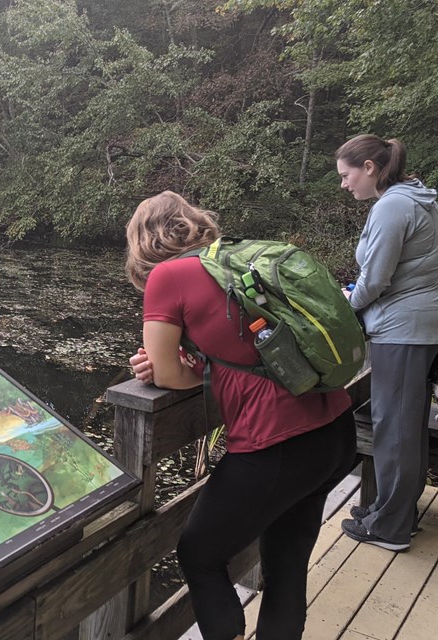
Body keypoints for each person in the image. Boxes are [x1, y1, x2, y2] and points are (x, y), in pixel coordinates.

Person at [126, 190, 356, 640]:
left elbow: (170, 375)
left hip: (275, 443)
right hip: (334, 430)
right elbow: (242, 349)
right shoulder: (233, 259)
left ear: (142, 241)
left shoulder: (168, 277)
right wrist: (195, 363)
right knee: (286, 566)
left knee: (198, 554)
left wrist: (174, 369)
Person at [335, 134, 438, 551]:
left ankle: (391, 527)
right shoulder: (422, 197)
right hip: (424, 325)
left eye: (347, 175)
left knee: (394, 428)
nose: (345, 185)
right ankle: (392, 510)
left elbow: (375, 279)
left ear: (370, 168)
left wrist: (346, 308)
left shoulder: (392, 206)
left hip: (403, 329)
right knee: (408, 426)